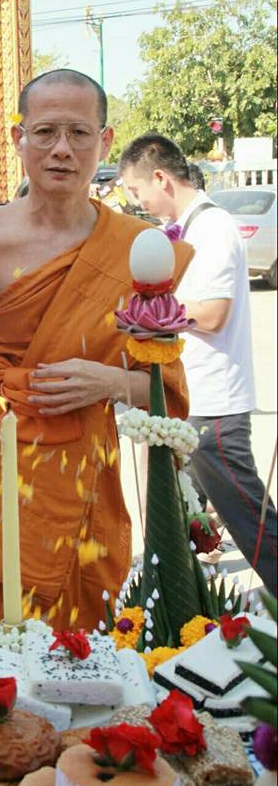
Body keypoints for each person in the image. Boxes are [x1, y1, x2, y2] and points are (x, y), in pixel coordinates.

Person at [0, 70, 191, 629]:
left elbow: (166, 388)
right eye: (44, 132)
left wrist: (111, 382)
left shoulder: (137, 249)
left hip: (85, 467)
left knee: (81, 636)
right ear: (19, 139)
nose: (62, 149)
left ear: (106, 142)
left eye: (79, 133)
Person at [119, 132, 276, 590]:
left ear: (161, 178)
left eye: (136, 190)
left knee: (246, 513)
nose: (137, 202)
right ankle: (178, 593)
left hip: (215, 400)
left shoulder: (212, 228)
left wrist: (147, 314)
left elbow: (211, 312)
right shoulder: (184, 229)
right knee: (184, 512)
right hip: (188, 395)